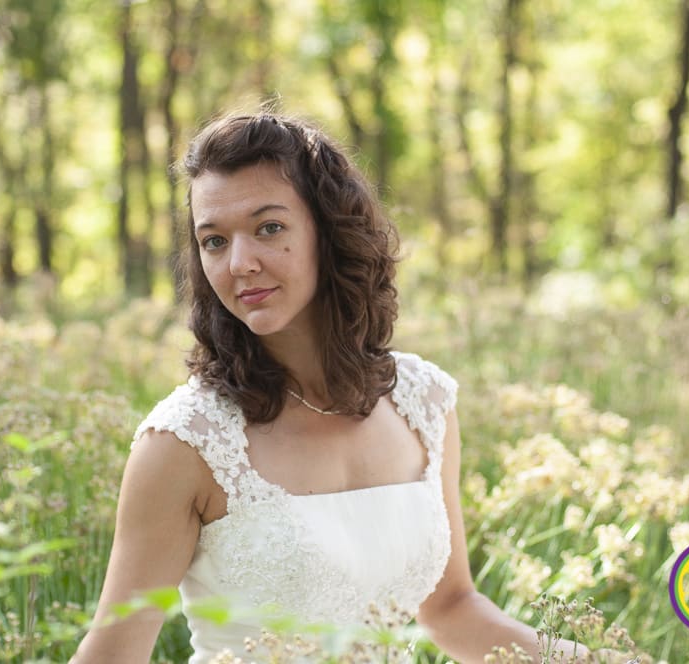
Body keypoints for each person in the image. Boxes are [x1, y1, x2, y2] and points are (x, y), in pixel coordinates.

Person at [71, 112, 614, 663]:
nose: (240, 263)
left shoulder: (422, 402)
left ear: (329, 231)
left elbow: (451, 608)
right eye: (214, 241)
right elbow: (114, 651)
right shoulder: (184, 443)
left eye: (269, 228)